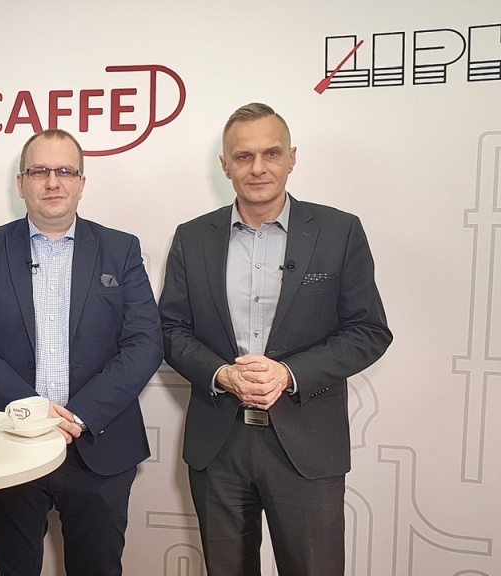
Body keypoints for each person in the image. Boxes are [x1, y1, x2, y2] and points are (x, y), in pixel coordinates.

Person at [158, 102, 393, 576]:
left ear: (292, 158)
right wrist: (222, 374)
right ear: (225, 165)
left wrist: (288, 374)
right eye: (243, 156)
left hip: (306, 443)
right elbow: (170, 329)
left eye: (271, 153)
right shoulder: (192, 237)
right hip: (218, 444)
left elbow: (369, 331)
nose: (258, 168)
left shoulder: (339, 231)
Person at [0, 129, 163, 576]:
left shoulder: (120, 249)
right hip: (9, 443)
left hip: (99, 446)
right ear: (20, 182)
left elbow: (146, 342)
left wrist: (79, 415)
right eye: (39, 171)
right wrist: (32, 410)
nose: (52, 182)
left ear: (81, 182)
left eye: (65, 170)